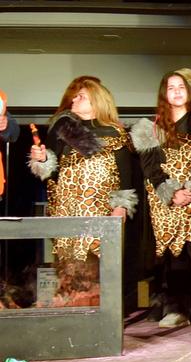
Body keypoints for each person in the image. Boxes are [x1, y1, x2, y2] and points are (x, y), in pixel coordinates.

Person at [28, 77, 137, 305]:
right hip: (67, 209)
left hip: (100, 211)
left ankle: (98, 314)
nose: (74, 100)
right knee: (69, 265)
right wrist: (43, 159)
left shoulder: (115, 133)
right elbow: (52, 172)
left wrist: (120, 206)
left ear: (96, 101)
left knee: (96, 266)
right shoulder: (64, 130)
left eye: (81, 97)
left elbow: (125, 174)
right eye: (75, 96)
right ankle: (71, 313)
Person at [130, 71, 191, 327]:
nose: (177, 91)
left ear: (190, 91)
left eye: (181, 86)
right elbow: (150, 167)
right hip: (166, 198)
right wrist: (171, 193)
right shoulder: (149, 127)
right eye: (171, 87)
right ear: (164, 93)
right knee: (174, 252)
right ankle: (177, 309)